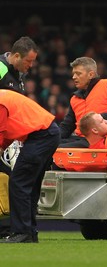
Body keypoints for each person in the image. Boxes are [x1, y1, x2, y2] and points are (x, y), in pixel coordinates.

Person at [0, 89, 60, 243]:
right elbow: (6, 134)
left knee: (18, 182)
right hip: (48, 133)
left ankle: (22, 232)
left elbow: (0, 133)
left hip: (40, 136)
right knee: (29, 185)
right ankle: (30, 232)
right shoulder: (3, 97)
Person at [0, 36, 38, 236]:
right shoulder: (1, 68)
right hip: (2, 138)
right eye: (28, 61)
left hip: (8, 140)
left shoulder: (17, 75)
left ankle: (10, 228)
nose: (30, 66)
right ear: (15, 56)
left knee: (11, 182)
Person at [58, 57, 107, 148]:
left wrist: (99, 118)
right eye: (73, 74)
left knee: (59, 147)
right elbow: (67, 127)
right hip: (80, 139)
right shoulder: (74, 98)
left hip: (102, 139)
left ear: (91, 74)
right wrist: (51, 138)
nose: (74, 77)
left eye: (78, 74)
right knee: (51, 144)